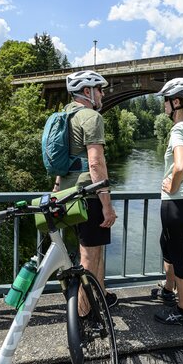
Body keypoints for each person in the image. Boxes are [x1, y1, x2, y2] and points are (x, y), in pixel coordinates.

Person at [53, 70, 118, 311]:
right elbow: (95, 163)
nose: (102, 94)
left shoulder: (65, 117)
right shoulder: (91, 116)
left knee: (91, 252)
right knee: (89, 260)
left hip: (66, 196)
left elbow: (64, 160)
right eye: (100, 89)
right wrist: (107, 205)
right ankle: (83, 316)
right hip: (88, 195)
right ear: (88, 92)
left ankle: (99, 303)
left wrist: (57, 189)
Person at [152, 77, 183, 327]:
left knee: (178, 256)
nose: (163, 106)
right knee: (167, 244)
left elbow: (180, 165)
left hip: (176, 202)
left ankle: (182, 312)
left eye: (165, 101)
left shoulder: (179, 129)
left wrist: (171, 185)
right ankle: (168, 290)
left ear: (175, 102)